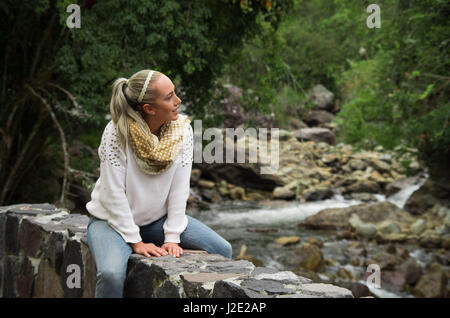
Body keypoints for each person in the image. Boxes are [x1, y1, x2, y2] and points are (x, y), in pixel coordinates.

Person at [86, 69, 232, 298]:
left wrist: (172, 237)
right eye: (169, 97)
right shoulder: (116, 132)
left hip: (155, 221)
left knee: (222, 249)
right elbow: (113, 193)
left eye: (175, 94)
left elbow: (179, 189)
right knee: (111, 274)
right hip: (110, 222)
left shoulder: (183, 131)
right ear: (149, 109)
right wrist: (135, 241)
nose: (178, 101)